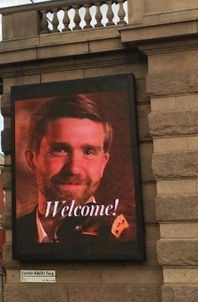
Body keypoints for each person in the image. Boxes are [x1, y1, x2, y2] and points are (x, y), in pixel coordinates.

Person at [14, 94, 135, 255]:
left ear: (103, 163)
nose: (74, 169)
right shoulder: (12, 235)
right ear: (31, 159)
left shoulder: (128, 237)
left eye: (89, 152)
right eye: (60, 150)